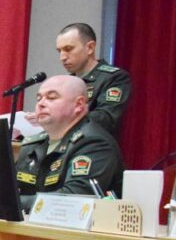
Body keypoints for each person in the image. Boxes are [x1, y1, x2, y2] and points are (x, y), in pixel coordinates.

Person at [15, 74, 125, 213]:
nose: (41, 104)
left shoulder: (94, 143)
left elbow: (73, 200)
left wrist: (15, 203)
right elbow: (9, 190)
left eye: (51, 97)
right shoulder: (33, 144)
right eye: (39, 98)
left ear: (78, 105)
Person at [54, 22, 132, 139]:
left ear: (90, 48)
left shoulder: (114, 77)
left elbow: (105, 118)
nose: (62, 57)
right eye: (59, 51)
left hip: (95, 150)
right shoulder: (66, 83)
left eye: (68, 49)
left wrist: (61, 117)